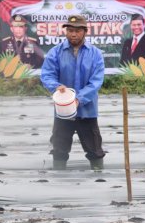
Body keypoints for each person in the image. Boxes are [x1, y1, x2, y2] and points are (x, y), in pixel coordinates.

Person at [40, 14, 105, 170]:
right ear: (66, 32)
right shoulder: (56, 52)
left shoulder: (95, 54)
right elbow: (47, 74)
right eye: (70, 30)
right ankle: (58, 183)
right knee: (59, 149)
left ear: (85, 32)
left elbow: (96, 81)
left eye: (77, 31)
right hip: (63, 110)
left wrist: (78, 99)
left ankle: (99, 180)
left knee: (95, 149)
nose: (73, 34)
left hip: (87, 110)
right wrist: (56, 86)